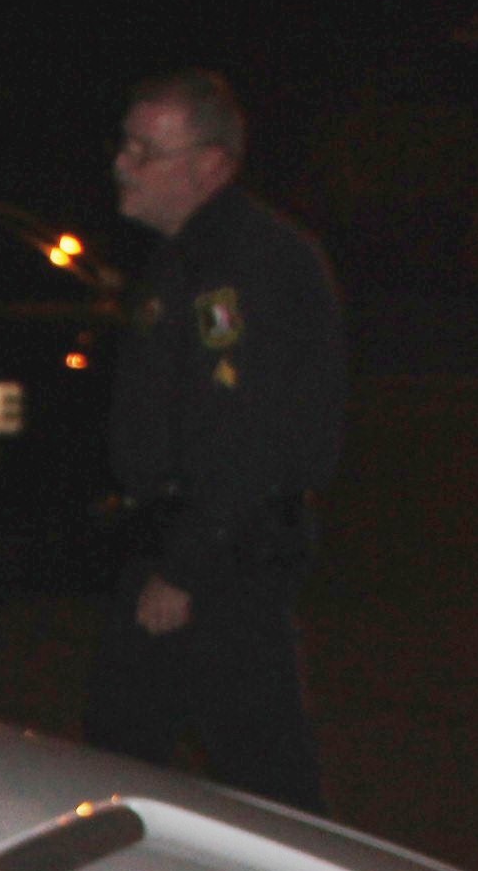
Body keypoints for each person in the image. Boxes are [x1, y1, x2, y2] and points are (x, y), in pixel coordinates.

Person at [83, 70, 345, 813]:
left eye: (147, 150)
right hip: (187, 545)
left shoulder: (243, 266)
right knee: (119, 755)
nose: (123, 164)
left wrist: (186, 568)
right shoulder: (186, 257)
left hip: (222, 558)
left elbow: (246, 431)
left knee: (263, 777)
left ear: (211, 167)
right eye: (126, 143)